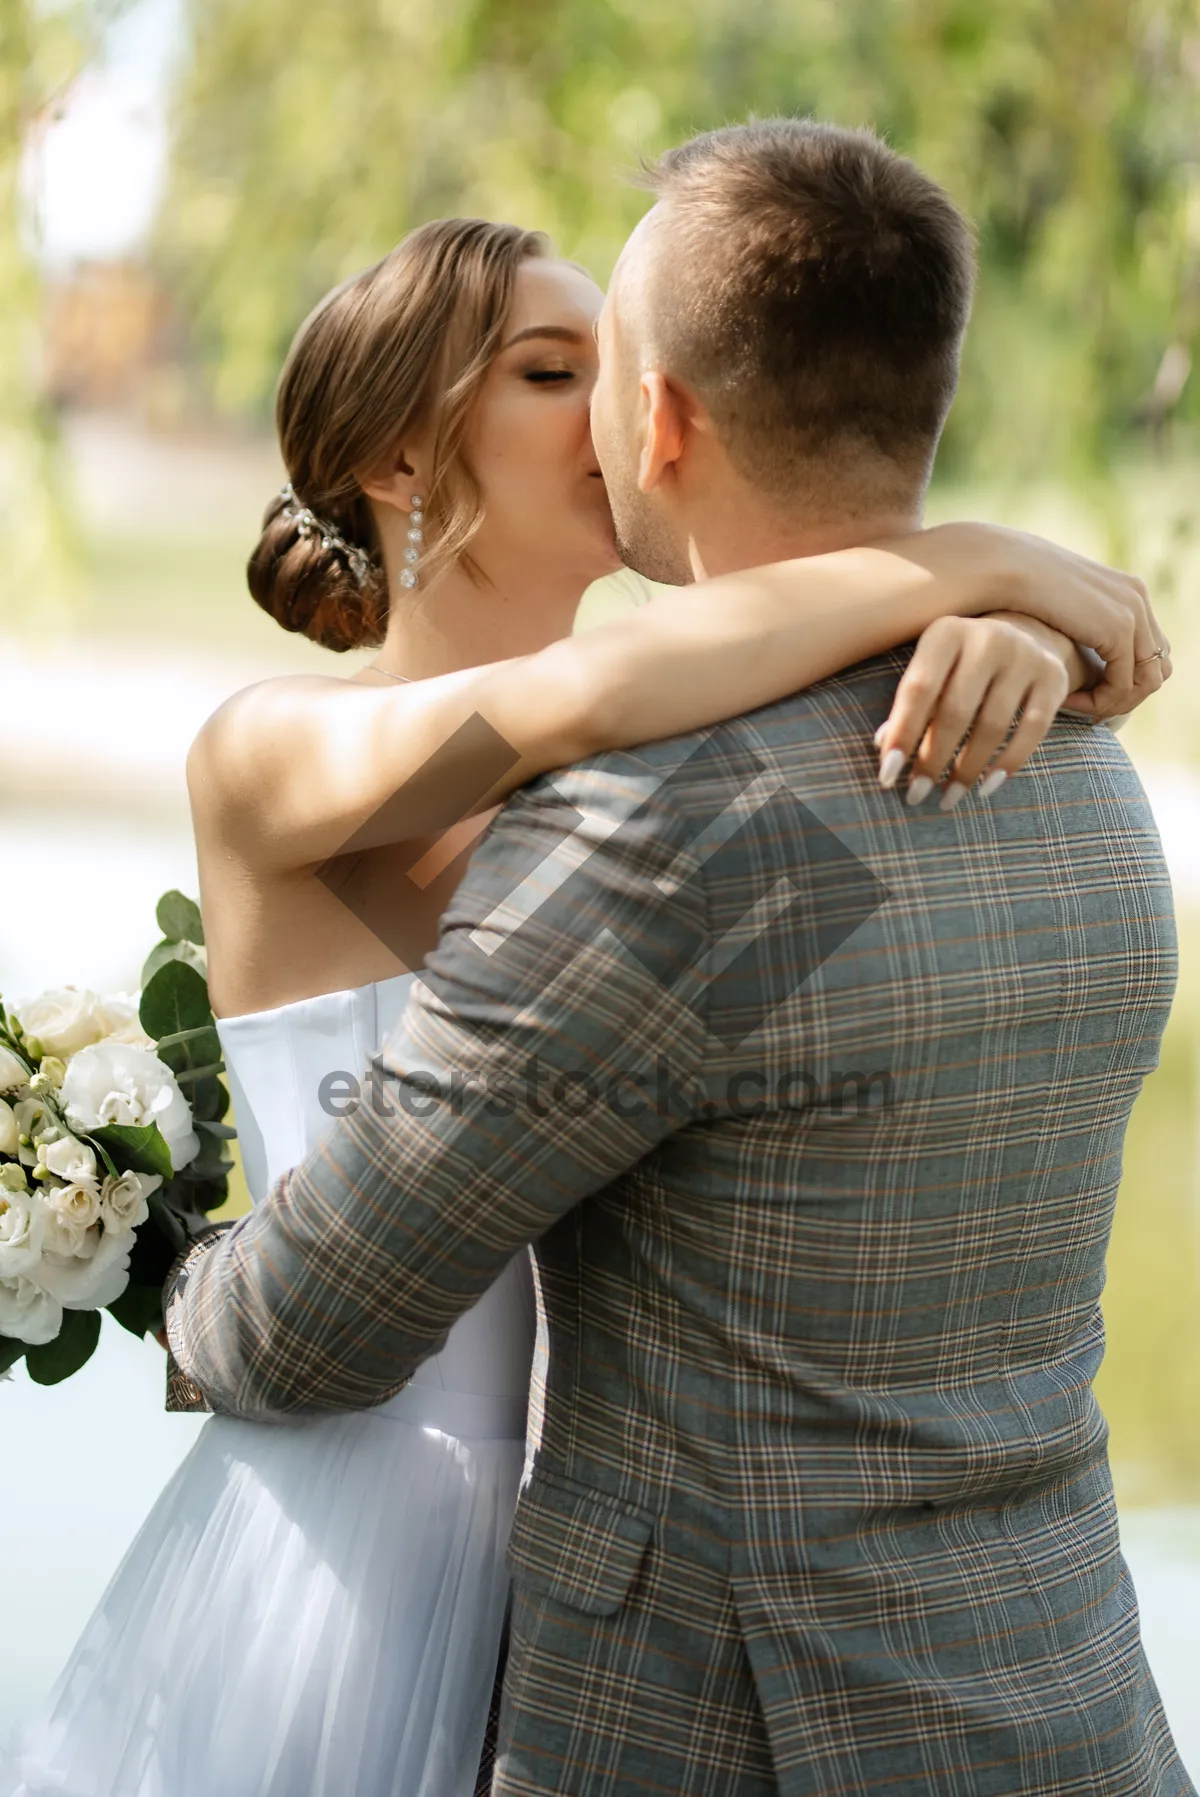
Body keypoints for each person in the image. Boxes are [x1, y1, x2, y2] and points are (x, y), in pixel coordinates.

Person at [161, 120, 1187, 1796]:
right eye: (542, 370)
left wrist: (981, 611)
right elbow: (585, 708)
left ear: (664, 419)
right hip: (381, 1556)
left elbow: (652, 720)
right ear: (408, 463)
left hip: (676, 1649)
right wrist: (971, 567)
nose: (597, 407)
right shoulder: (1079, 775)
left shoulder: (657, 810)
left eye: (599, 366)